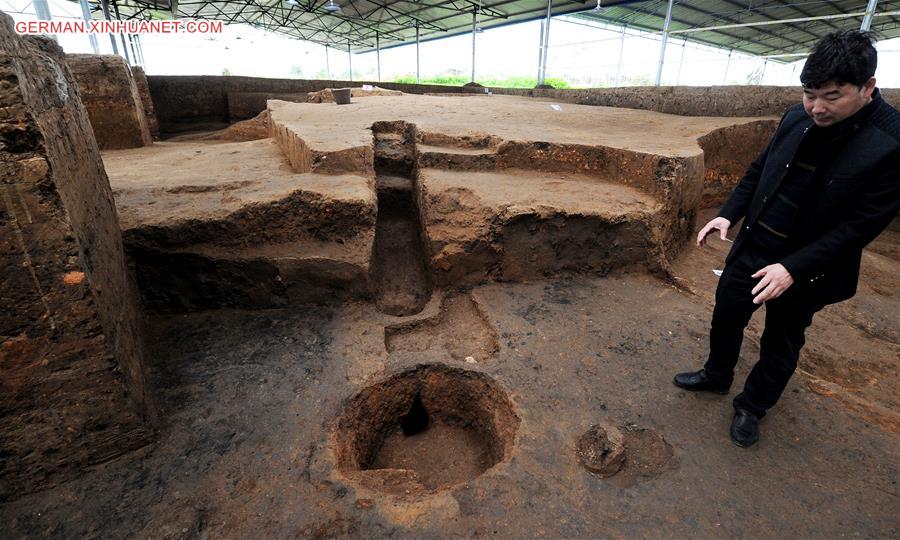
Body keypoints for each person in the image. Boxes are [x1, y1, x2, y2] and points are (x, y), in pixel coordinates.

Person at [673, 30, 900, 447]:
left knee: (782, 340)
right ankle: (717, 374)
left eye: (832, 96)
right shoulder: (797, 117)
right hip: (755, 246)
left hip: (809, 267)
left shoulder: (890, 143)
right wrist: (728, 214)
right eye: (808, 94)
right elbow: (761, 169)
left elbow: (861, 225)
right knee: (726, 314)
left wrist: (793, 267)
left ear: (868, 87)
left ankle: (753, 406)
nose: (817, 107)